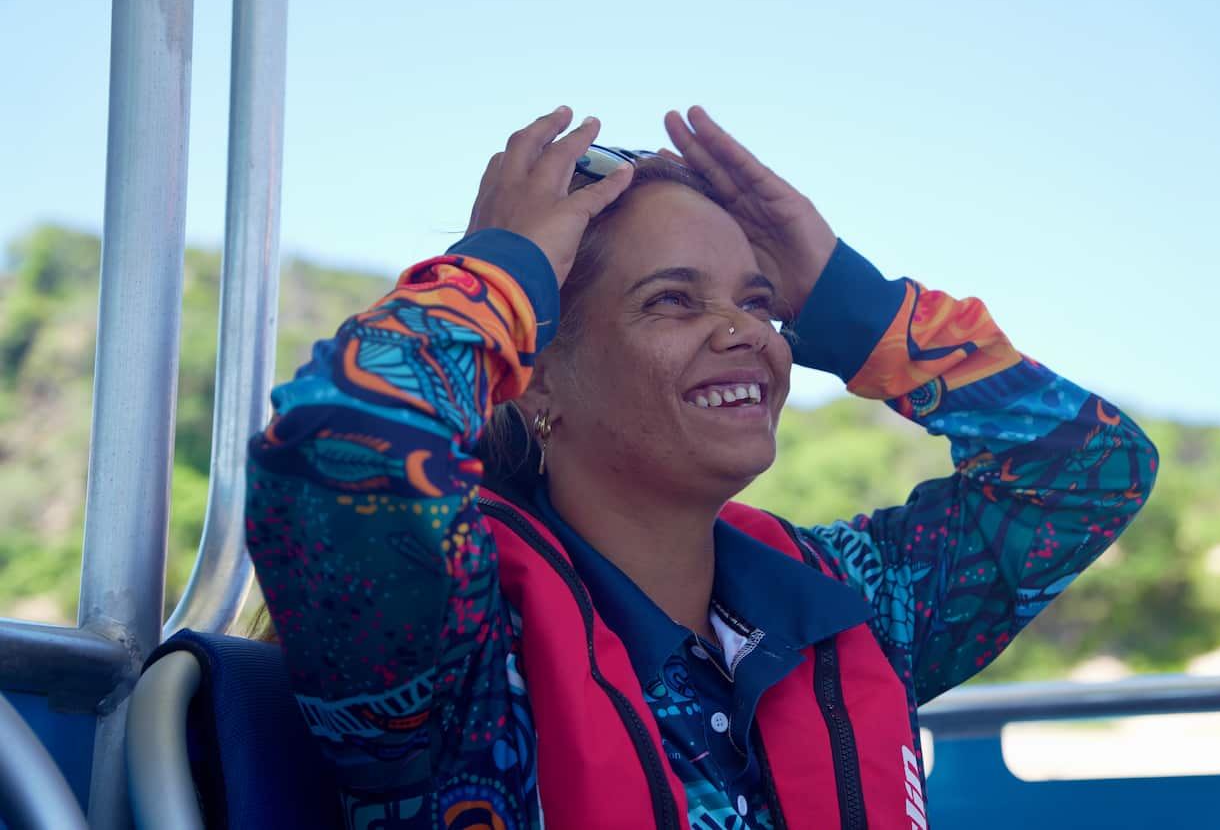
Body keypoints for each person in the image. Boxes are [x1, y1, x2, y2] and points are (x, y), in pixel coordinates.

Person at [246, 106, 1158, 829]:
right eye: (673, 300)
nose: (744, 332)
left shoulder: (854, 597)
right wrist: (500, 272)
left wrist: (847, 302)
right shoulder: (451, 635)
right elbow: (341, 447)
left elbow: (1090, 472)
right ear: (538, 374)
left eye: (761, 303)